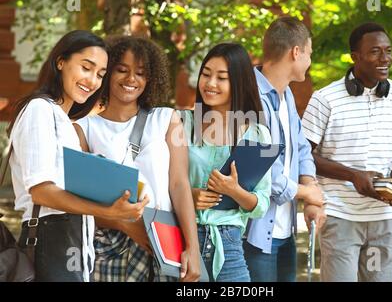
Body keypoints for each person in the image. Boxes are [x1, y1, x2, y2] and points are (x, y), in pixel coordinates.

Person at [8, 30, 148, 282]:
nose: (93, 80)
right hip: (51, 239)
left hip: (75, 242)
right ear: (61, 62)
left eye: (100, 74)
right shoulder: (40, 109)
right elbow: (41, 191)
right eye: (86, 67)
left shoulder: (66, 122)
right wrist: (109, 212)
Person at [74, 35, 201, 282]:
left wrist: (192, 247)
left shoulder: (167, 119)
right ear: (107, 73)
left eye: (141, 73)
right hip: (109, 247)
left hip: (164, 240)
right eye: (122, 70)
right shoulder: (84, 128)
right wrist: (124, 224)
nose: (131, 79)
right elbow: (78, 203)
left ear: (150, 79)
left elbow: (179, 185)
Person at [302, 22, 392, 282]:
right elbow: (303, 155)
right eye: (375, 51)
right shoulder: (324, 98)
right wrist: (353, 175)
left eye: (388, 50)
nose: (385, 58)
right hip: (340, 215)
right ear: (355, 57)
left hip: (384, 217)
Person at [179, 43, 271, 282]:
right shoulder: (181, 122)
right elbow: (158, 181)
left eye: (222, 78)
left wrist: (234, 191)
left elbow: (261, 204)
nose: (210, 83)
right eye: (206, 74)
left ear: (239, 82)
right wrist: (188, 195)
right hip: (180, 240)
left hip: (228, 243)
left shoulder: (257, 134)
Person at [243, 16, 325, 282]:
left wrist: (310, 187)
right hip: (255, 234)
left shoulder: (286, 93)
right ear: (296, 52)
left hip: (284, 231)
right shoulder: (249, 96)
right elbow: (267, 175)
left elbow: (302, 148)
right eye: (309, 54)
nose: (309, 62)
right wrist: (308, 194)